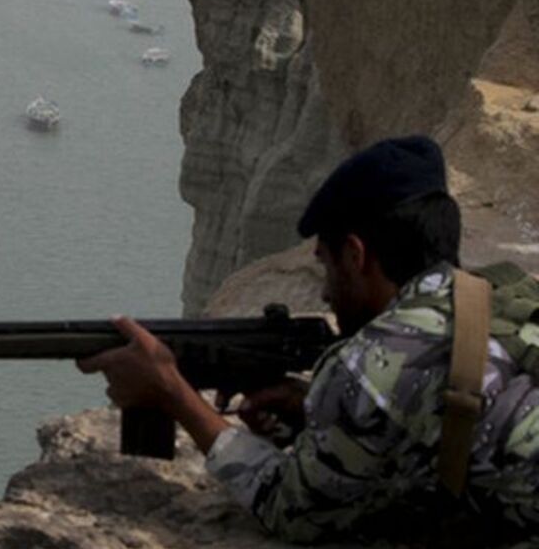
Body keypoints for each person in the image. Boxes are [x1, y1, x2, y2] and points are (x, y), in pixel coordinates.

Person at [78, 136, 539, 544]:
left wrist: (173, 394)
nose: (324, 290)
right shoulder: (501, 296)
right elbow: (436, 426)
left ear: (356, 255)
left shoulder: (372, 364)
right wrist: (315, 408)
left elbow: (289, 509)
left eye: (326, 264)